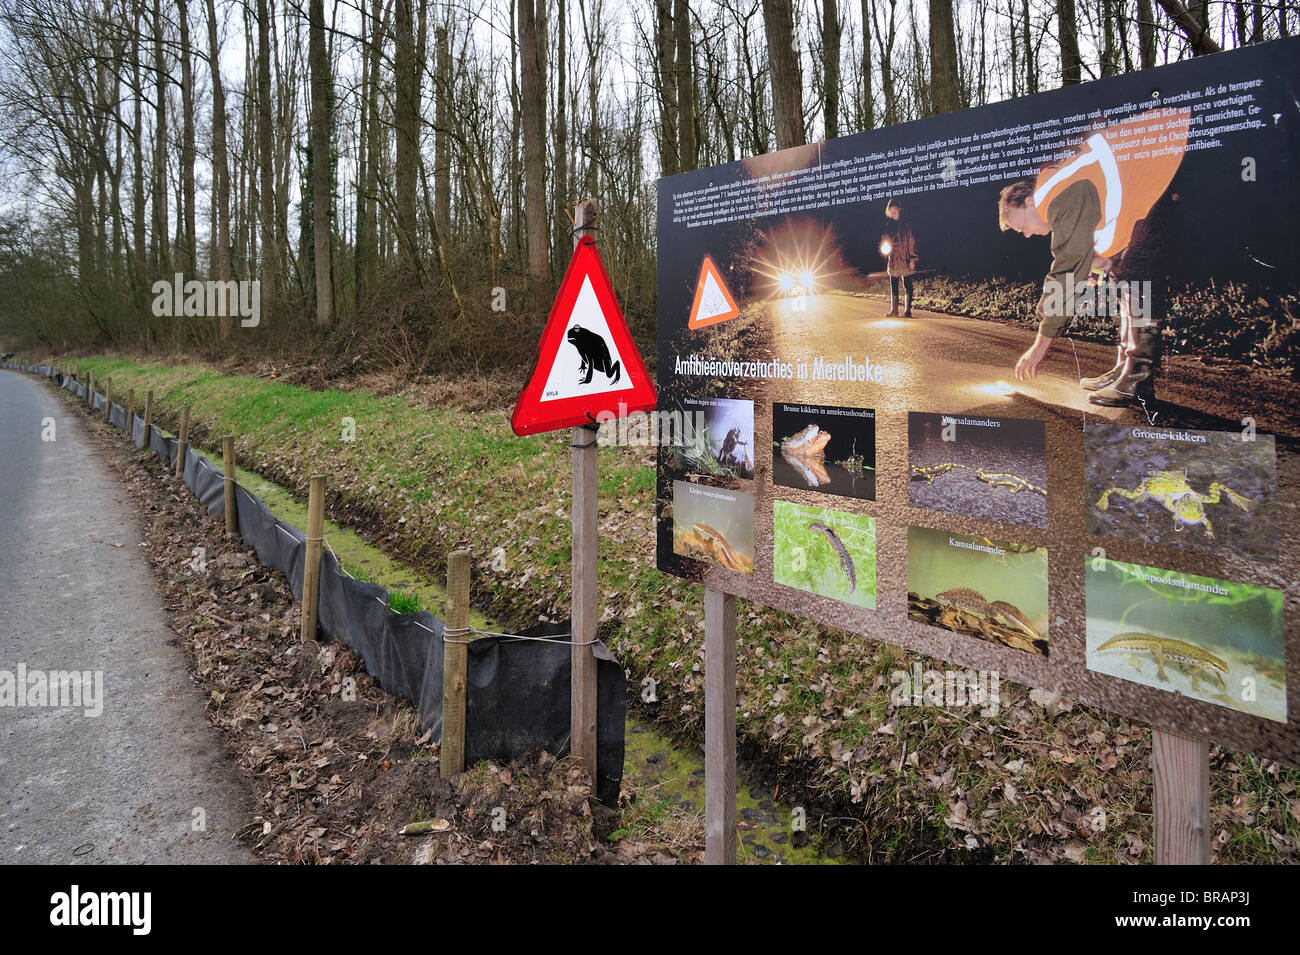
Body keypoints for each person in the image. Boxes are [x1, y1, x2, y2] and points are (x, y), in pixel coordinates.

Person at [999, 107, 1190, 407]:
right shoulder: (1065, 187)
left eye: (1020, 225)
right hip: (1159, 174)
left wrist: (1039, 347)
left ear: (1028, 200)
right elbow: (1104, 235)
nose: (1025, 234)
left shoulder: (1055, 194)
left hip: (1173, 160)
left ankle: (1138, 379)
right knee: (1124, 272)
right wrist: (1098, 261)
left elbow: (1065, 273)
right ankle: (1124, 367)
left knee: (1138, 276)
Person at [880, 199, 919, 318]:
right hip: (893, 260)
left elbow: (911, 242)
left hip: (905, 259)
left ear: (899, 210)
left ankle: (907, 311)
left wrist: (913, 259)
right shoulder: (888, 226)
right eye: (890, 211)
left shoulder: (906, 225)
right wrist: (885, 248)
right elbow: (884, 241)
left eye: (894, 210)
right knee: (894, 285)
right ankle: (894, 310)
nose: (893, 213)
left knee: (907, 285)